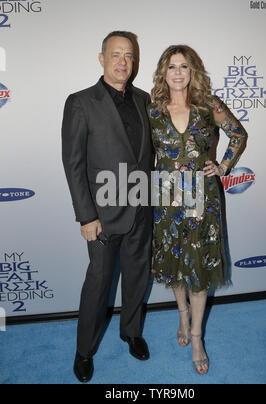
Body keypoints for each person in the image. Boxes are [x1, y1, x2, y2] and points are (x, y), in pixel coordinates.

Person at [148, 45, 247, 375]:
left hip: (202, 197)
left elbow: (237, 132)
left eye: (184, 67)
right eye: (172, 66)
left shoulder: (208, 106)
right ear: (164, 72)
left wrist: (223, 166)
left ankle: (197, 338)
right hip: (166, 198)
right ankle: (182, 315)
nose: (178, 72)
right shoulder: (152, 110)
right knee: (175, 264)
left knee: (199, 269)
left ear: (193, 73)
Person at [62, 31, 153, 383]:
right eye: (115, 54)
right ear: (101, 59)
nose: (122, 62)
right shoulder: (80, 102)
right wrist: (86, 216)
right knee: (98, 285)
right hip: (101, 217)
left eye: (128, 55)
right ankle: (83, 350)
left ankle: (131, 332)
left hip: (142, 210)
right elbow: (73, 164)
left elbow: (150, 158)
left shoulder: (145, 100)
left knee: (136, 278)